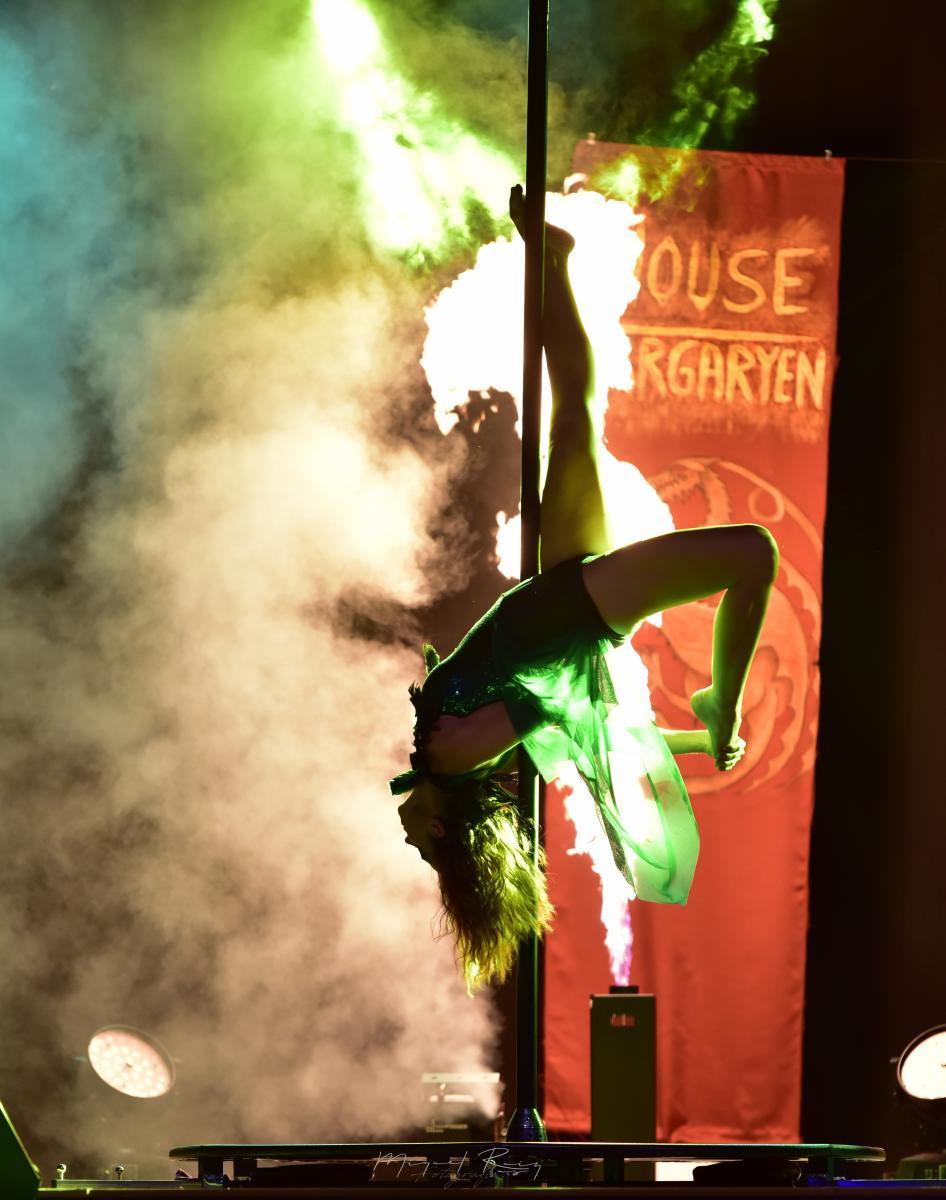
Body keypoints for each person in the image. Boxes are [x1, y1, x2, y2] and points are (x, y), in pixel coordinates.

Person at [392, 185, 778, 991]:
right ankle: (724, 702)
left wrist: (655, 739)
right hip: (575, 610)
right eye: (423, 849)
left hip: (559, 598)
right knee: (752, 554)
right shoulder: (452, 755)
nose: (407, 839)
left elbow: (569, 720)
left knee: (575, 414)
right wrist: (673, 734)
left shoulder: (450, 753)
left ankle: (554, 258)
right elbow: (556, 710)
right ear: (443, 828)